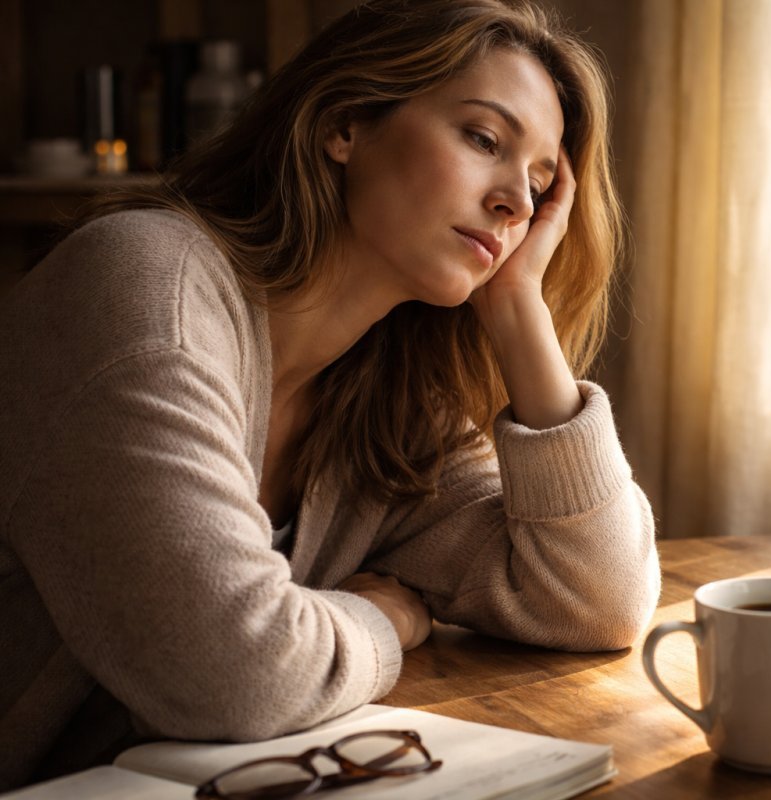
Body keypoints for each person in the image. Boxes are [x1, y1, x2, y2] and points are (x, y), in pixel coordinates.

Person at [0, 0, 661, 789]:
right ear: (344, 123)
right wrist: (388, 618)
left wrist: (521, 311)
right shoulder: (141, 290)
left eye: (541, 185)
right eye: (485, 140)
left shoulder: (383, 404)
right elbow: (235, 675)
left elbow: (598, 603)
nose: (517, 203)